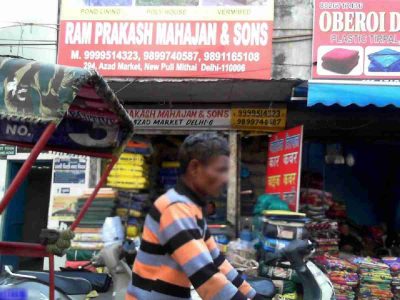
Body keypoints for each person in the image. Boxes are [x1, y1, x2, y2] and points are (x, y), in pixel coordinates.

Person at [126, 133, 258, 300]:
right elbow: (204, 275)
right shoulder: (174, 208)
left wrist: (252, 294)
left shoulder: (193, 209)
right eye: (220, 170)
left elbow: (217, 261)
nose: (225, 179)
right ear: (195, 168)